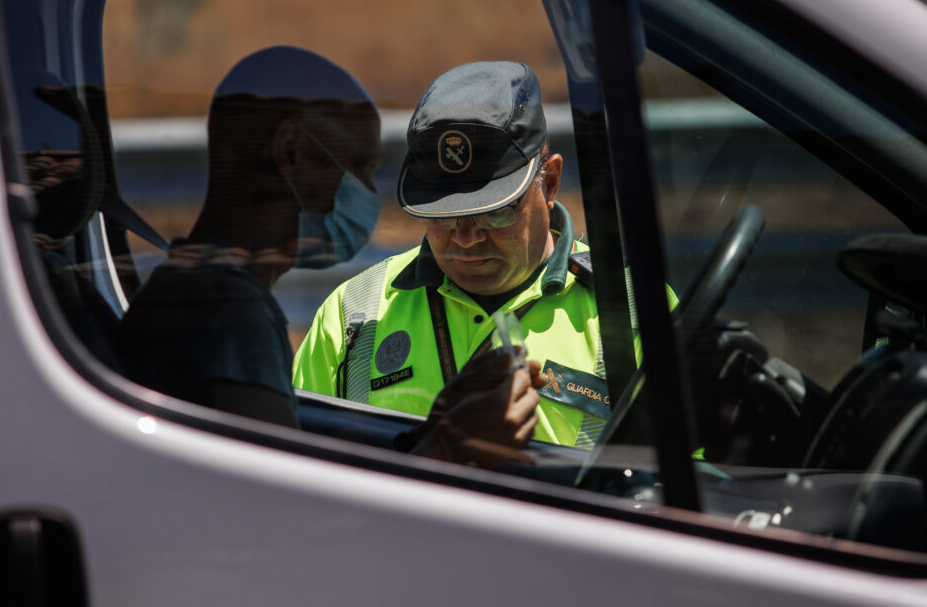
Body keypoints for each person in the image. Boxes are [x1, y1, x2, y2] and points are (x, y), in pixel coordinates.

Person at [293, 61, 678, 448]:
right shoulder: (351, 316)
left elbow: (696, 481)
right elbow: (295, 478)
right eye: (441, 214)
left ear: (550, 183)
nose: (465, 237)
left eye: (495, 210)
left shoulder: (637, 310)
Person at [114, 46, 383, 425]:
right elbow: (269, 479)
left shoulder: (191, 288)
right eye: (360, 166)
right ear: (291, 151)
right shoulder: (231, 314)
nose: (369, 191)